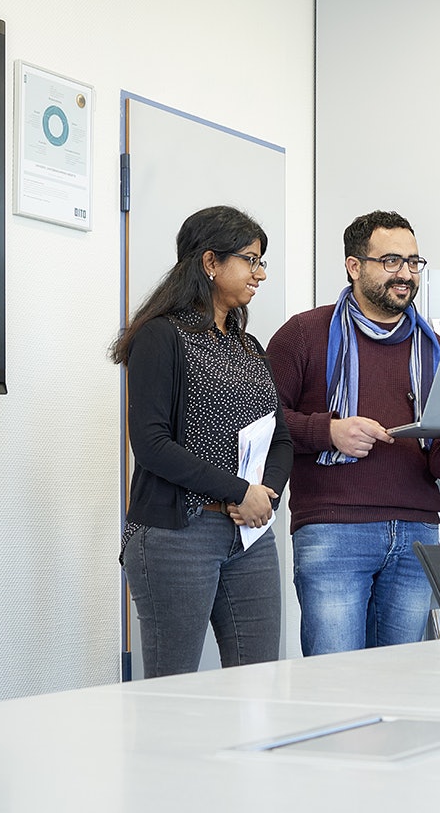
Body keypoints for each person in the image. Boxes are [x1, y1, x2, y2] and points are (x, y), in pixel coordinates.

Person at [267, 211, 440, 655]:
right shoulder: (303, 334)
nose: (406, 274)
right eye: (392, 261)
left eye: (414, 262)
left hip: (418, 531)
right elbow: (261, 423)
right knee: (334, 682)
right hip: (333, 530)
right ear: (354, 266)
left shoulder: (438, 350)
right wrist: (329, 431)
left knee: (401, 686)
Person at [112, 206, 292, 677]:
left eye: (261, 262)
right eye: (250, 260)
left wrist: (263, 495)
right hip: (177, 534)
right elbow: (150, 444)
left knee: (259, 685)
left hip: (249, 532)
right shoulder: (162, 336)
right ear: (210, 263)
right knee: (172, 690)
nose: (260, 274)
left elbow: (281, 437)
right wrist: (238, 491)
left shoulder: (249, 347)